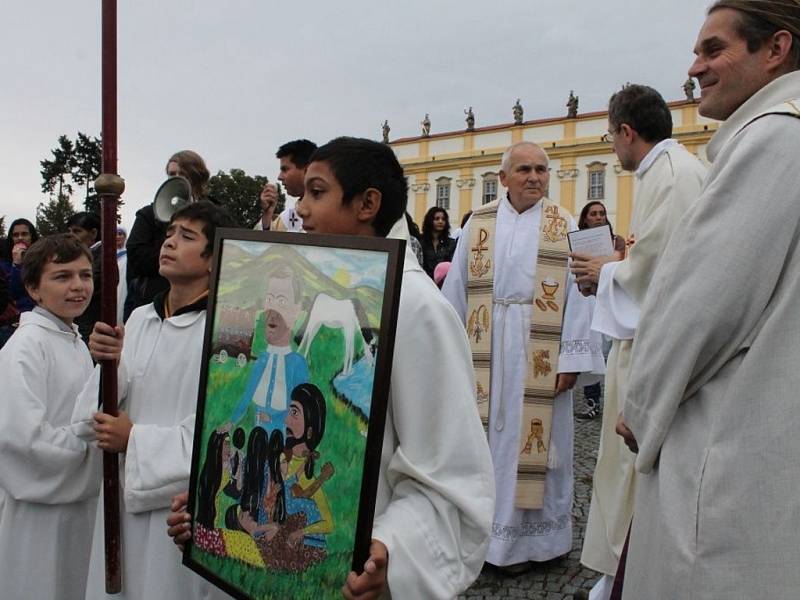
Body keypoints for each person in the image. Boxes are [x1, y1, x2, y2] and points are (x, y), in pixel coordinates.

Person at [168, 136, 495, 599]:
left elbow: (447, 472)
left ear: (367, 204)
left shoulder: (418, 306)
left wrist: (390, 551)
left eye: (315, 192)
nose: (300, 208)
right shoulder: (316, 293)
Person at [614, 3, 800, 598]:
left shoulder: (774, 139)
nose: (695, 66)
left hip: (732, 435)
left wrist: (639, 408)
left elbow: (701, 305)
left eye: (713, 49)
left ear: (775, 49)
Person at [570, 84, 706, 600]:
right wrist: (615, 268)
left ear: (627, 132)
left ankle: (628, 579)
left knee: (633, 469)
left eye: (610, 136)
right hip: (643, 342)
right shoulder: (668, 174)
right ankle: (619, 575)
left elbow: (662, 276)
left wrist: (604, 270)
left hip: (653, 349)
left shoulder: (671, 178)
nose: (610, 147)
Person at [442, 141, 604, 571]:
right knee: (489, 443)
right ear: (504, 177)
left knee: (536, 445)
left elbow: (579, 294)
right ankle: (486, 541)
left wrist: (570, 359)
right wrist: (451, 348)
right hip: (486, 347)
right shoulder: (478, 223)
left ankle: (536, 544)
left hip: (541, 351)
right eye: (525, 169)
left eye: (542, 170)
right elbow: (456, 289)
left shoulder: (563, 222)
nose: (534, 177)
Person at [73, 201, 237, 600]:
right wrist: (109, 362)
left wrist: (135, 438)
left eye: (187, 236)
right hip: (122, 498)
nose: (169, 243)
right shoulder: (141, 318)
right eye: (169, 233)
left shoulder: (228, 334)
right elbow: (88, 417)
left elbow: (222, 434)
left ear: (215, 258)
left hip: (181, 511)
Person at [0, 234, 101, 600]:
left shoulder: (71, 339)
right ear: (33, 288)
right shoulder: (26, 348)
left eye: (85, 275)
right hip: (39, 513)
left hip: (74, 506)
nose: (78, 286)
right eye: (62, 277)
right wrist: (97, 452)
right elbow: (22, 439)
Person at [125, 150, 211, 319]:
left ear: (197, 177)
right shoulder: (149, 214)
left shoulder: (213, 215)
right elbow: (136, 255)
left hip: (198, 308)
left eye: (183, 174)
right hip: (152, 303)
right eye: (172, 174)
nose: (176, 178)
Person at [230, 263, 309, 432]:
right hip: (257, 436)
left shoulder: (297, 364)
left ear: (295, 312)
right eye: (269, 300)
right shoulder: (261, 360)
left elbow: (301, 411)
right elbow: (247, 396)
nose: (273, 310)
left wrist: (274, 418)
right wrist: (231, 422)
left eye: (281, 301)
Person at [574, 201, 625, 421]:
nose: (599, 217)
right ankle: (592, 400)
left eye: (602, 213)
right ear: (585, 218)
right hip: (585, 299)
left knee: (610, 352)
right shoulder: (577, 242)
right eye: (593, 214)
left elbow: (620, 263)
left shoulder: (617, 241)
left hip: (609, 299)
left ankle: (616, 400)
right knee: (591, 350)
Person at [257, 139, 317, 232]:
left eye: (285, 169)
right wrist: (267, 215)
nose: (279, 177)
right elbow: (261, 245)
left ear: (307, 170)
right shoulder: (286, 218)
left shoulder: (333, 212)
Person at [67, 211, 103, 344]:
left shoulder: (104, 257)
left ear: (93, 233)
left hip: (90, 325)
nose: (71, 236)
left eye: (77, 231)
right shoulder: (82, 256)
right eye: (69, 231)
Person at [1, 217, 40, 314]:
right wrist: (16, 265)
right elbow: (13, 293)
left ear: (31, 236)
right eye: (15, 235)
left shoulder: (41, 259)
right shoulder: (4, 264)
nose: (20, 238)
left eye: (24, 234)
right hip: (15, 316)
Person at [420, 206, 457, 278]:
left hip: (444, 283)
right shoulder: (421, 241)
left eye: (443, 219)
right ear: (430, 221)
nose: (441, 221)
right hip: (424, 282)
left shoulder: (451, 243)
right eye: (437, 219)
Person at [116, 226, 128, 323]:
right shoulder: (105, 254)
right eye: (115, 234)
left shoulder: (128, 255)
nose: (118, 236)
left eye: (120, 234)